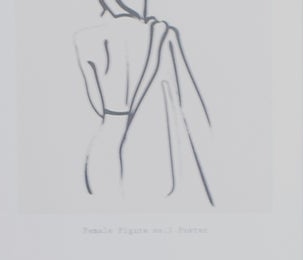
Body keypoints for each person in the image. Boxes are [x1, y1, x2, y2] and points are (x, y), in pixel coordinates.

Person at [74, 0, 213, 206]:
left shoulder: (85, 38)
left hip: (105, 140)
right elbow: (182, 99)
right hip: (145, 146)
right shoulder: (162, 33)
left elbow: (96, 105)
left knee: (106, 211)